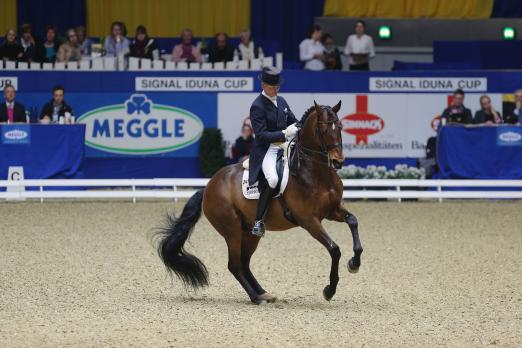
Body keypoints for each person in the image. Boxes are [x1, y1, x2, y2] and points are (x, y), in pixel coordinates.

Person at [248, 67, 299, 237]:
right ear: (263, 85)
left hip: (285, 145)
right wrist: (284, 133)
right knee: (273, 179)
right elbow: (261, 135)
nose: (275, 90)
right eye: (272, 87)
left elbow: (293, 121)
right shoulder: (257, 106)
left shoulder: (282, 101)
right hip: (267, 148)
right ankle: (258, 221)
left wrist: (301, 126)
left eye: (277, 86)